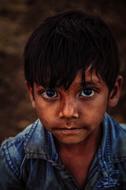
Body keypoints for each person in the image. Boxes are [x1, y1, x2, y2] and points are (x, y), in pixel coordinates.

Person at [0, 10, 126, 190]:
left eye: (87, 92)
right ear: (32, 94)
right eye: (50, 93)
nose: (68, 112)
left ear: (113, 92)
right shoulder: (14, 161)